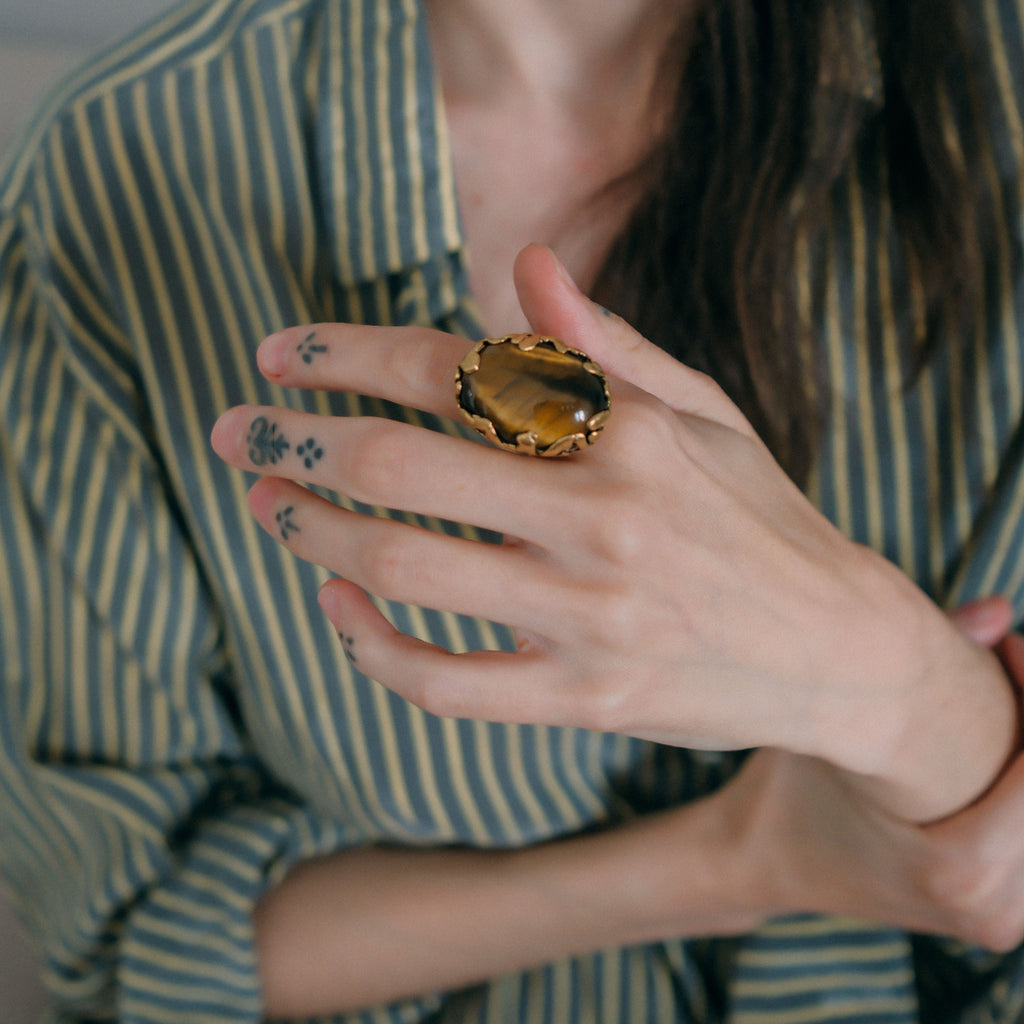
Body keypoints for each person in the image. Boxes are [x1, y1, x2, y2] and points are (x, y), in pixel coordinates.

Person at [1, 0, 1023, 1022]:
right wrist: (739, 861)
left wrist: (894, 684)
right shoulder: (116, 172)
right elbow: (137, 945)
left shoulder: (995, 92)